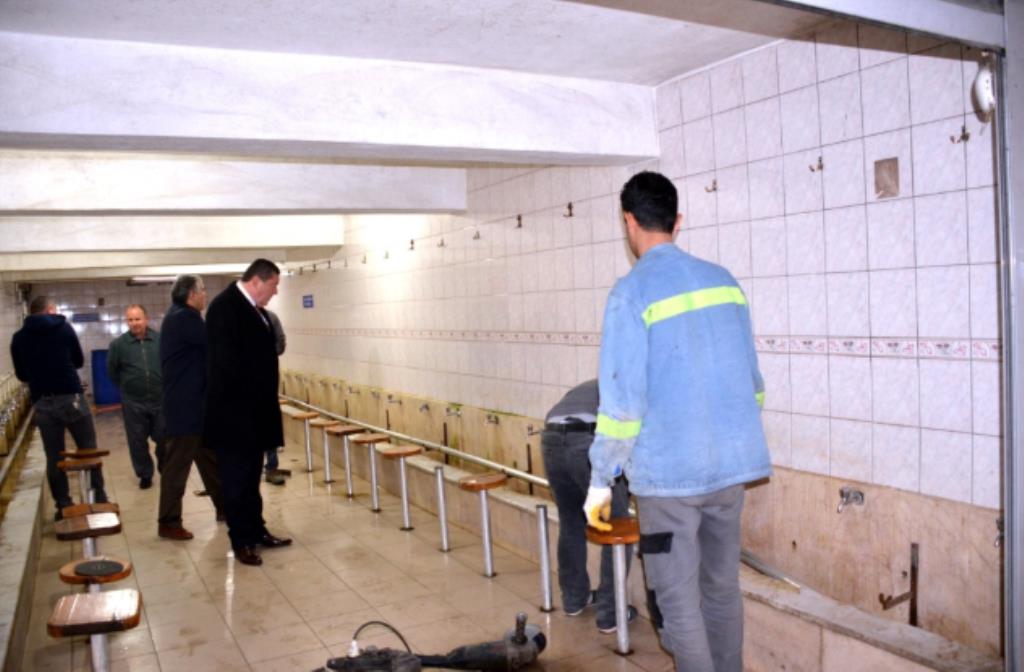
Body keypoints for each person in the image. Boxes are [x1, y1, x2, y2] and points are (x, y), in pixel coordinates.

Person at [584, 171, 771, 672]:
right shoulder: (725, 282)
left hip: (669, 482)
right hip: (731, 473)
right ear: (678, 220)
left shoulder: (631, 294)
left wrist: (600, 481)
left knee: (677, 599)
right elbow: (753, 384)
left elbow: (623, 406)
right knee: (721, 587)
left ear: (629, 221)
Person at [204, 259, 291, 566]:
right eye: (274, 285)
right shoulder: (224, 308)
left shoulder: (257, 311)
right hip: (234, 417)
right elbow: (225, 366)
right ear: (257, 281)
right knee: (236, 481)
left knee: (252, 478)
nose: (275, 292)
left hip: (254, 415)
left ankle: (257, 530)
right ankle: (241, 540)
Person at [540, 379, 635, 633]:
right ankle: (610, 614)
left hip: (551, 437)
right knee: (616, 524)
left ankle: (574, 599)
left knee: (571, 521)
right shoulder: (634, 388)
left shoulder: (593, 385)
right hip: (589, 439)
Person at [11, 295, 109, 519]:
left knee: (54, 457)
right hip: (71, 398)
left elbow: (22, 374)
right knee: (88, 449)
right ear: (49, 310)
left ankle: (63, 505)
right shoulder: (64, 328)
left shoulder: (19, 338)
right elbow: (78, 361)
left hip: (43, 402)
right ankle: (99, 497)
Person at [157, 274, 225, 540]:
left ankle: (226, 508)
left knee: (211, 461)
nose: (205, 294)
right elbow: (215, 344)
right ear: (191, 294)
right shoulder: (185, 318)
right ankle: (168, 521)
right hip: (185, 409)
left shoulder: (178, 316)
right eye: (203, 290)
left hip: (194, 408)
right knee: (177, 468)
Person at [107, 304, 164, 489]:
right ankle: (145, 474)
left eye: (137, 319)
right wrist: (128, 387)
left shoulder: (160, 340)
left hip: (160, 399)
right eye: (130, 320)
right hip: (133, 402)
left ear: (146, 319)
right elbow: (112, 371)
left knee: (164, 438)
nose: (134, 323)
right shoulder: (118, 345)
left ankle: (165, 469)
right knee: (137, 441)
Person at [263, 308, 289, 486]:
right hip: (258, 376)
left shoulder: (270, 317)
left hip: (266, 376)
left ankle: (271, 466)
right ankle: (268, 466)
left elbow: (281, 343)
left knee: (267, 420)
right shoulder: (270, 317)